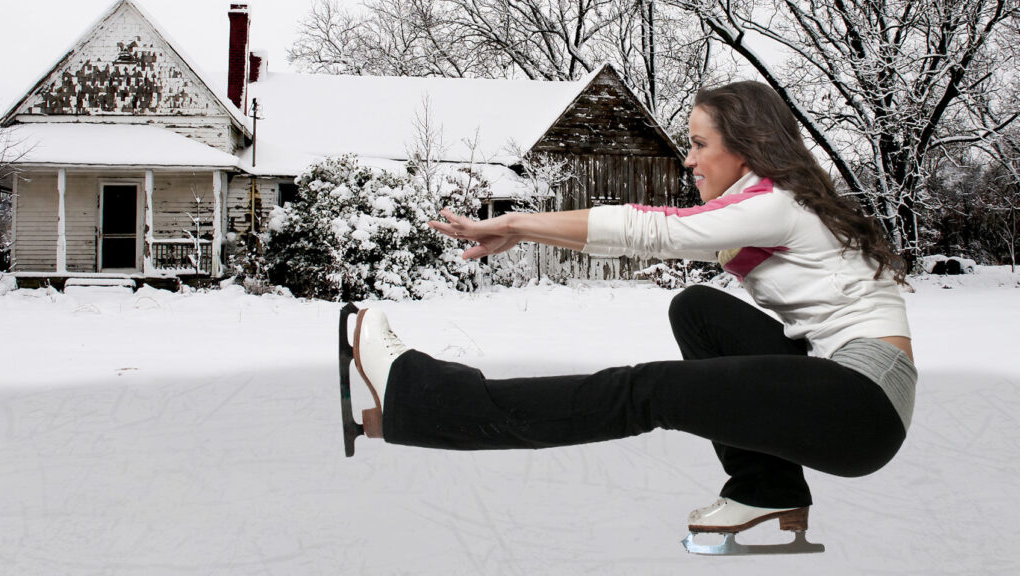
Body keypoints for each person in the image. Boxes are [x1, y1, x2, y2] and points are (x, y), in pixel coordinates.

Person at [348, 81, 917, 543]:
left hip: (861, 405)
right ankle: (766, 488)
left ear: (744, 146)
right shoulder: (774, 202)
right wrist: (525, 233)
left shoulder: (777, 205)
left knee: (649, 390)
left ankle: (425, 397)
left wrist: (517, 223)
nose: (689, 159)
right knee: (699, 310)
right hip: (856, 395)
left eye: (698, 144)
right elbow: (648, 235)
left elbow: (651, 230)